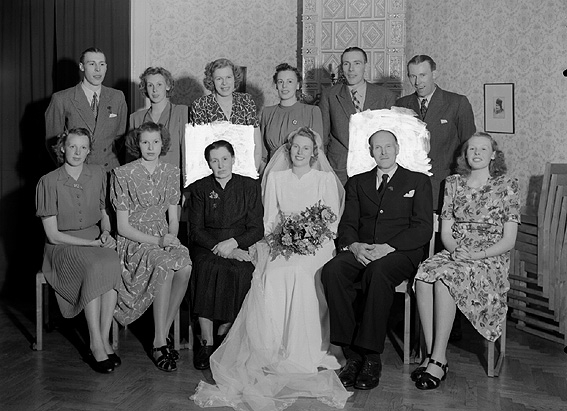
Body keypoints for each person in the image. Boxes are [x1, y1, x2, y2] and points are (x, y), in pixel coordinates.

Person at [190, 127, 351, 411]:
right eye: (295, 147)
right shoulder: (276, 178)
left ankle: (308, 348)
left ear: (314, 152)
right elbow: (269, 221)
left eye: (305, 148)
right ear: (288, 150)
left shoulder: (325, 179)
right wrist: (287, 238)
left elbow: (332, 222)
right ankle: (274, 347)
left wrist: (308, 238)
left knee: (301, 273)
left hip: (317, 244)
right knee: (273, 273)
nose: (299, 152)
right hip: (282, 241)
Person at [321, 130, 433, 391]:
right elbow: (348, 224)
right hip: (364, 250)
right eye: (377, 147)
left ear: (397, 148)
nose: (383, 152)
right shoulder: (357, 182)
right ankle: (351, 354)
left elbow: (423, 228)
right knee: (333, 270)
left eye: (388, 146)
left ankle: (371, 356)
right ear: (370, 151)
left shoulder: (417, 181)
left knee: (378, 272)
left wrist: (389, 247)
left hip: (400, 253)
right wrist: (354, 246)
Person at [412, 132, 519, 390]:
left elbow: (509, 240)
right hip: (458, 250)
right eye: (472, 149)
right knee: (424, 275)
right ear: (465, 155)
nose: (477, 153)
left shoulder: (507, 185)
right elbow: (446, 232)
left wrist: (477, 255)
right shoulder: (452, 183)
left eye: (483, 149)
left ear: (493, 155)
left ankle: (438, 359)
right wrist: (457, 250)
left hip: (490, 257)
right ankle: (434, 355)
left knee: (445, 280)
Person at [35, 128, 121, 373]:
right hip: (62, 247)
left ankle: (104, 337)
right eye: (72, 146)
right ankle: (94, 343)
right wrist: (91, 244)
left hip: (94, 237)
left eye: (83, 147)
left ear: (89, 150)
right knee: (93, 266)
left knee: (112, 261)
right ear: (62, 147)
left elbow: (104, 213)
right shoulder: (48, 181)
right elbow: (53, 235)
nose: (77, 152)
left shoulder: (98, 173)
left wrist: (106, 233)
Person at [111, 122, 192, 372]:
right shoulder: (123, 174)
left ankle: (162, 334)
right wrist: (158, 242)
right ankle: (159, 344)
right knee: (164, 264)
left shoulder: (171, 172)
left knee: (185, 265)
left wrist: (170, 238)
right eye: (145, 142)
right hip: (134, 241)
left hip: (163, 236)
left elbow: (174, 219)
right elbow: (122, 228)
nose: (150, 147)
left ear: (162, 143)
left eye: (155, 141)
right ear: (137, 144)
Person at [188, 140, 264, 371]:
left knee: (242, 271)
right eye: (214, 161)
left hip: (238, 244)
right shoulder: (200, 188)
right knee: (205, 268)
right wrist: (219, 247)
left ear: (233, 159)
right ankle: (207, 341)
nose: (220, 165)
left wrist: (234, 244)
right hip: (207, 245)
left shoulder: (249, 186)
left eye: (224, 159)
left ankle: (227, 335)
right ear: (208, 163)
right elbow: (195, 230)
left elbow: (257, 229)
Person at [395, 55, 476, 211]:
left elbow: (469, 148)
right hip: (410, 187)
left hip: (445, 187)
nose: (417, 82)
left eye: (422, 75)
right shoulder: (401, 105)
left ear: (434, 74)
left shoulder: (457, 103)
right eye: (412, 76)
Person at [319, 47, 396, 184]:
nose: (351, 69)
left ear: (366, 66)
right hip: (339, 170)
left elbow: (391, 139)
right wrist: (323, 170)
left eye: (357, 63)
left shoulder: (385, 96)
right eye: (346, 64)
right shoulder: (330, 95)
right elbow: (322, 139)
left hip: (374, 169)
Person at [45, 47, 127, 172]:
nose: (98, 69)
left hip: (109, 171)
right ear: (82, 67)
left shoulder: (117, 97)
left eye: (102, 64)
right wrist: (69, 170)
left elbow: (120, 137)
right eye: (92, 64)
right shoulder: (62, 99)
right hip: (78, 172)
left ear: (106, 67)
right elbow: (53, 143)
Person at [190, 58, 262, 171]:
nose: (224, 83)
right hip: (214, 171)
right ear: (211, 81)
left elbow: (256, 146)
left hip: (244, 169)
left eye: (228, 77)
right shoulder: (200, 105)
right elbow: (198, 148)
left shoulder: (246, 101)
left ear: (235, 78)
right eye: (219, 78)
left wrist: (253, 173)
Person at [260, 63, 323, 161]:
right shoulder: (267, 112)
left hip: (300, 168)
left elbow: (318, 153)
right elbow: (263, 154)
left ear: (297, 85)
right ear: (276, 85)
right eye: (280, 82)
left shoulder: (312, 111)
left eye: (289, 81)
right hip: (272, 168)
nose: (284, 86)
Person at [129, 67, 188, 168]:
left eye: (159, 84)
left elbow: (187, 153)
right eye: (150, 85)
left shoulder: (182, 112)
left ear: (168, 86)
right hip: (144, 176)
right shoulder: (136, 118)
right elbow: (131, 158)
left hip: (173, 175)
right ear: (145, 88)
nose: (154, 90)